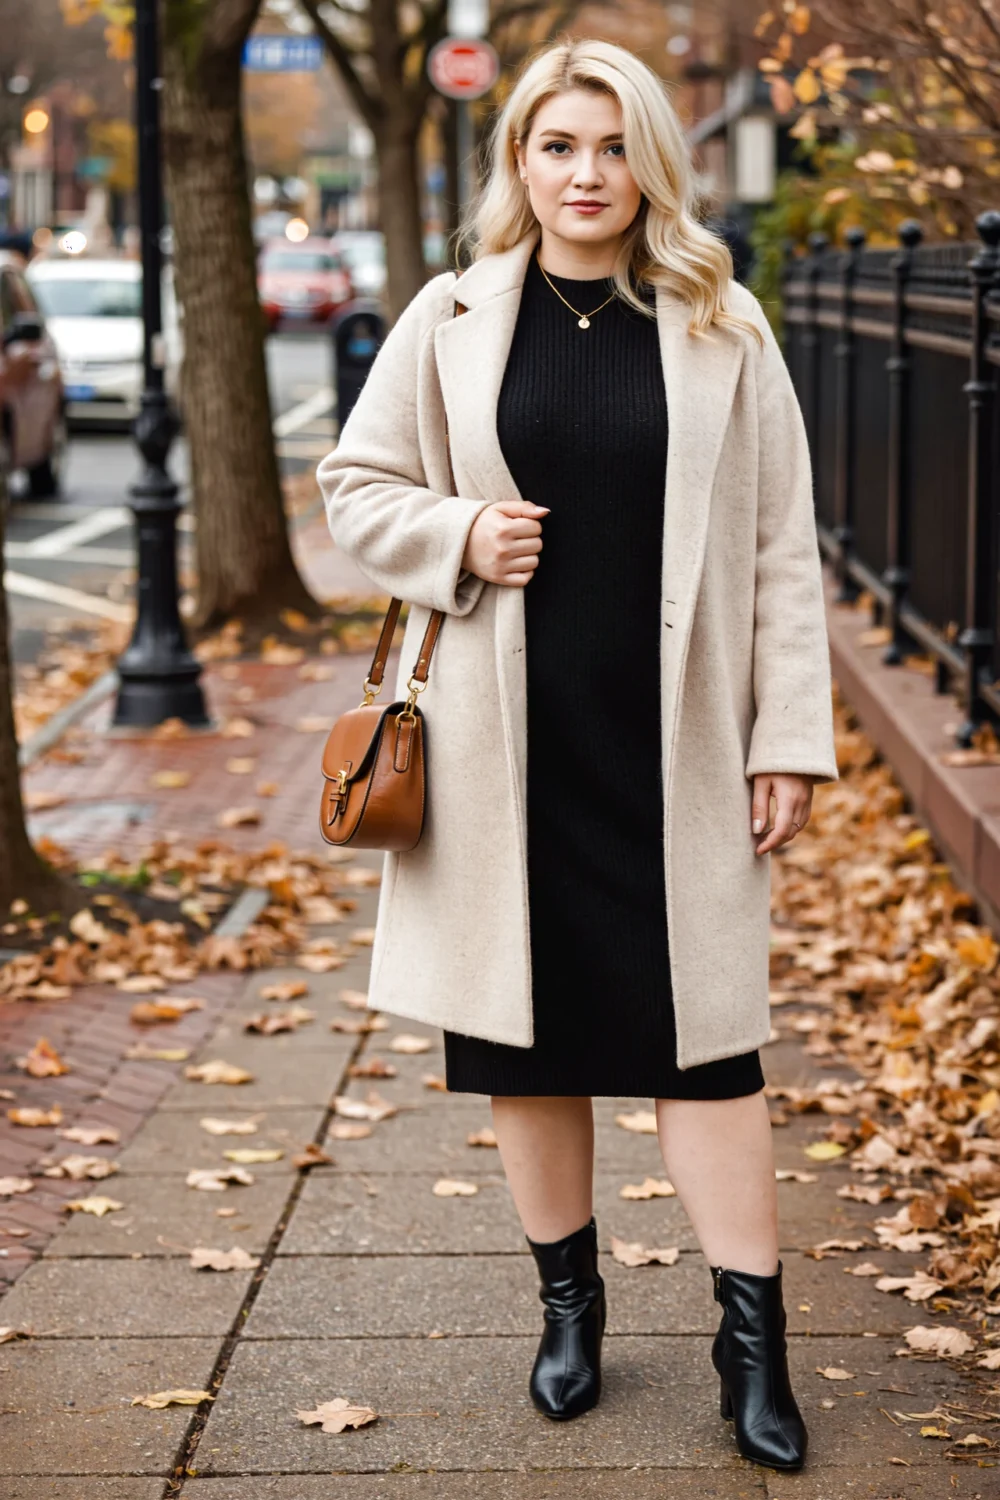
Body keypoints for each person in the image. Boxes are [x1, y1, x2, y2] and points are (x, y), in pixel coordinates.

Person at [317, 37, 838, 1473]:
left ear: (648, 160)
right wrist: (459, 538)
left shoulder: (725, 325)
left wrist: (787, 735)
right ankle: (569, 1306)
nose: (586, 174)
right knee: (525, 1047)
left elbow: (784, 550)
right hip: (504, 752)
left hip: (672, 744)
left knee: (709, 1058)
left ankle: (754, 1344)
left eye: (612, 147)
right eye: (559, 147)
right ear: (522, 163)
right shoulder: (455, 313)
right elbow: (356, 486)